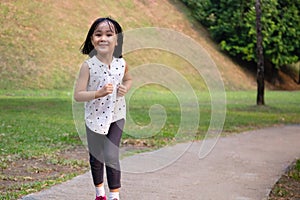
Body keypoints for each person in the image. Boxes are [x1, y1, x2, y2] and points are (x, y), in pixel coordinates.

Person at [74, 17, 132, 200]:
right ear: (92, 40)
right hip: (94, 117)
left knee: (111, 154)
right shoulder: (88, 66)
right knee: (97, 158)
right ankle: (100, 193)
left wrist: (125, 88)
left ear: (117, 40)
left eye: (109, 34)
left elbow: (128, 79)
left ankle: (115, 195)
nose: (103, 38)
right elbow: (78, 95)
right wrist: (97, 94)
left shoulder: (122, 64)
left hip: (116, 115)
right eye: (98, 34)